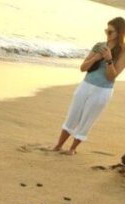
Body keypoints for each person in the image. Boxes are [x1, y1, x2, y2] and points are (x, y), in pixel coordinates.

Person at [53, 17, 125, 155]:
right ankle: (58, 145)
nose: (107, 34)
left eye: (111, 32)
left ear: (120, 33)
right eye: (106, 31)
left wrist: (109, 59)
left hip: (102, 90)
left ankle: (72, 149)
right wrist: (96, 58)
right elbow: (83, 68)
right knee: (72, 115)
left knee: (88, 119)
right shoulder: (99, 45)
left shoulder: (123, 52)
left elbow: (112, 77)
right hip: (85, 85)